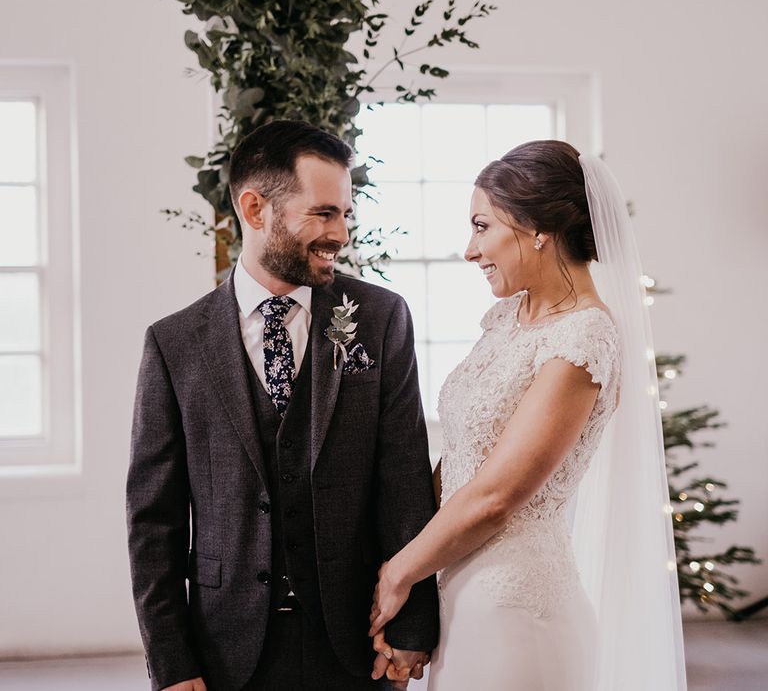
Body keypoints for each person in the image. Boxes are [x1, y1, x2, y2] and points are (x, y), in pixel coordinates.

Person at [126, 119, 438, 691]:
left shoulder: (379, 318)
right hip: (225, 648)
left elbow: (404, 477)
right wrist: (171, 661)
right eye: (324, 213)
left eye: (345, 213)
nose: (342, 233)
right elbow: (155, 519)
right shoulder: (175, 343)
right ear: (254, 209)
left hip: (357, 639)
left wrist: (414, 623)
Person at [369, 141, 687, 690]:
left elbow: (498, 496)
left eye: (481, 226)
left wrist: (398, 573)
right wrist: (412, 584)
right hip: (453, 593)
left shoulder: (584, 337)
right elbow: (464, 459)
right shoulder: (506, 319)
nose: (471, 250)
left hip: (513, 611)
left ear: (538, 229)